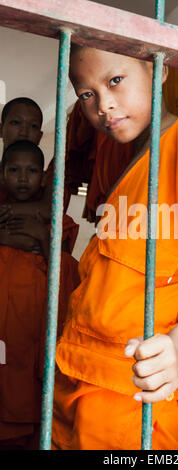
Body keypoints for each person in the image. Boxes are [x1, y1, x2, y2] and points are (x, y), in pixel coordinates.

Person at [52, 45, 178, 450]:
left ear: (158, 71)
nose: (104, 106)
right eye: (87, 94)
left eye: (115, 80)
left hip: (149, 383)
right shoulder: (125, 165)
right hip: (84, 373)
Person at [0, 140, 80, 450]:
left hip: (34, 342)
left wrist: (43, 239)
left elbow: (67, 279)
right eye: (15, 170)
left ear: (45, 178)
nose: (23, 178)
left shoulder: (59, 224)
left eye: (32, 170)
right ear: (3, 174)